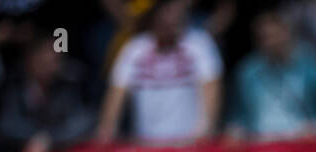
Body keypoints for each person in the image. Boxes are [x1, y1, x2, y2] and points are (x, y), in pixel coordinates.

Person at [95, 0, 223, 144]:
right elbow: (116, 95)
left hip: (189, 147)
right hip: (146, 146)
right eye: (163, 11)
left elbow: (211, 91)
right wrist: (106, 131)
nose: (169, 17)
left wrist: (205, 131)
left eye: (172, 9)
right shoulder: (134, 48)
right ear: (151, 16)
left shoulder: (200, 43)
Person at [227, 9, 316, 139]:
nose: (270, 43)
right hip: (260, 143)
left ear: (287, 33)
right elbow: (238, 115)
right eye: (264, 38)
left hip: (301, 142)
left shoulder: (310, 67)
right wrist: (236, 129)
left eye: (274, 36)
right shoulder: (247, 73)